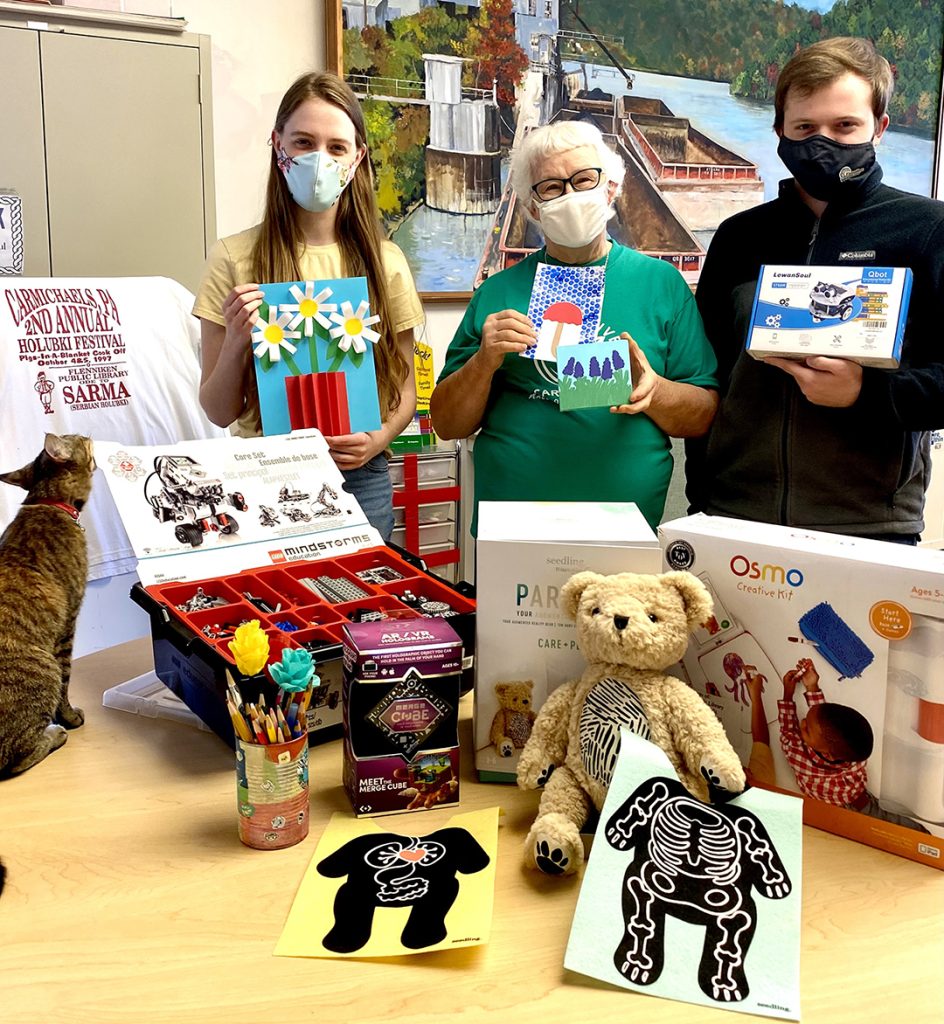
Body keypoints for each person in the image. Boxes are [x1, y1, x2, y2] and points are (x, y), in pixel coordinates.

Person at [686, 37, 944, 543]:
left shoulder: (928, 230)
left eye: (844, 126)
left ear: (880, 127)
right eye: (805, 127)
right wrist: (702, 501)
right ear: (780, 130)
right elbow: (709, 374)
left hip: (870, 526)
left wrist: (867, 394)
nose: (822, 141)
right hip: (732, 517)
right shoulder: (739, 237)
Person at [429, 119, 719, 533]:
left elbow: (702, 415)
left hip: (624, 525)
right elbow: (447, 424)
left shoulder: (662, 285)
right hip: (512, 522)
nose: (570, 195)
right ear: (533, 208)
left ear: (610, 188)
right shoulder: (497, 292)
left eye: (583, 180)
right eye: (551, 187)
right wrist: (484, 362)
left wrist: (654, 391)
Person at [193, 72, 424, 541]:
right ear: (278, 145)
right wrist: (236, 339)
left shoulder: (386, 262)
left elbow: (405, 387)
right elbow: (218, 410)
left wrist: (378, 439)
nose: (320, 159)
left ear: (357, 157)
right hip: (264, 475)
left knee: (364, 589)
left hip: (361, 477)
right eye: (303, 142)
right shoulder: (234, 258)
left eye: (337, 147)